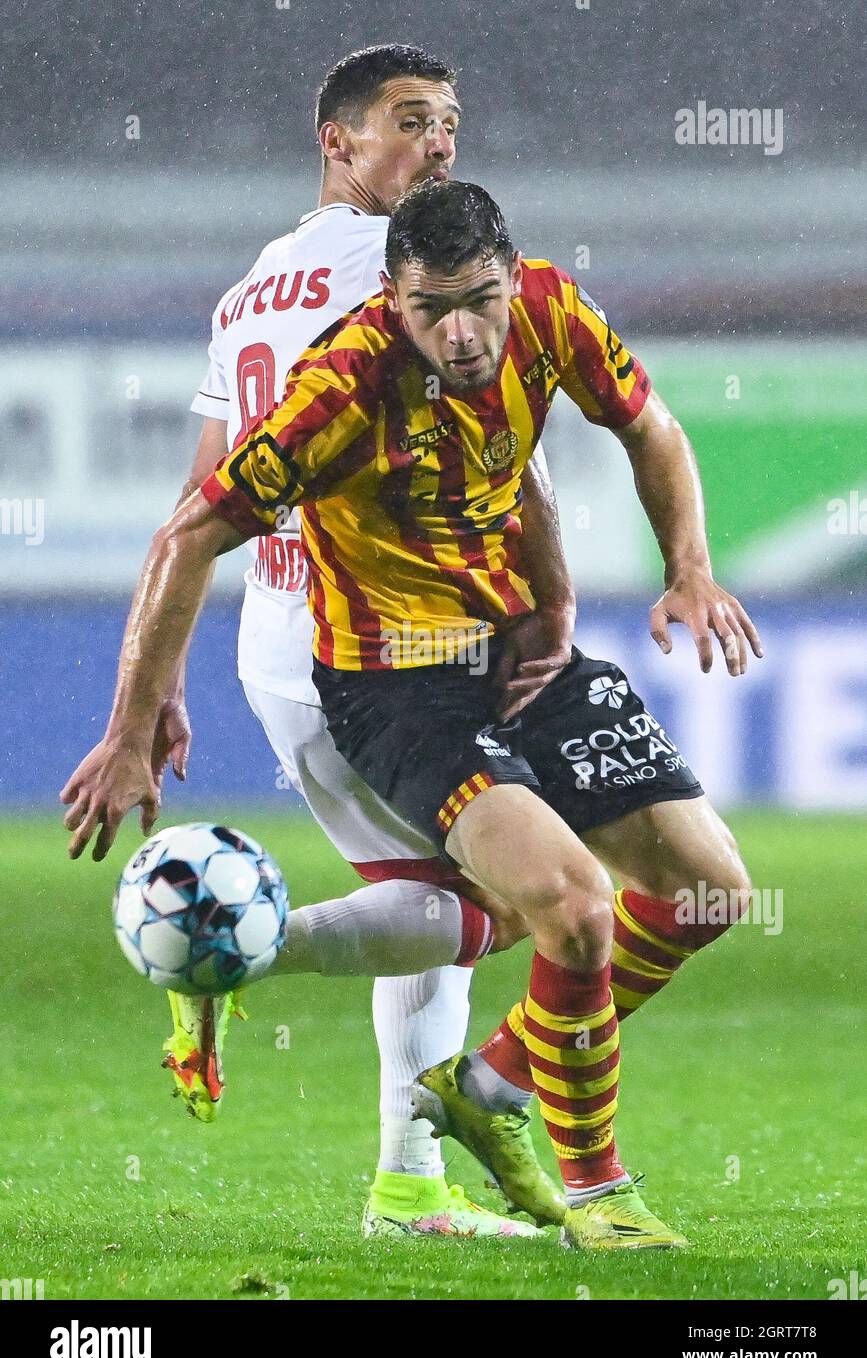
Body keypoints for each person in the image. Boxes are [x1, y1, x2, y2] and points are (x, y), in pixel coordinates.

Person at [60, 178, 762, 1249]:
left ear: (510, 277)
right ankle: (598, 1194)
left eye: (480, 298)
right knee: (566, 906)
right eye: (433, 309)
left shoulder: (550, 309)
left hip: (518, 649)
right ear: (393, 298)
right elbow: (188, 532)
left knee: (711, 892)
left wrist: (690, 570)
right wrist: (130, 721)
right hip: (396, 683)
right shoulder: (341, 383)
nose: (464, 331)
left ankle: (482, 1082)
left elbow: (649, 427)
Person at [63, 45, 573, 1241]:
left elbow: (200, 502)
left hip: (273, 643)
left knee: (430, 894)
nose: (441, 143)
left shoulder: (252, 286)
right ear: (339, 142)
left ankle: (407, 1187)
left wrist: (160, 685)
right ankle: (232, 944)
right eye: (411, 122)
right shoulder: (416, 278)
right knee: (511, 902)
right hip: (378, 645)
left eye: (450, 121)